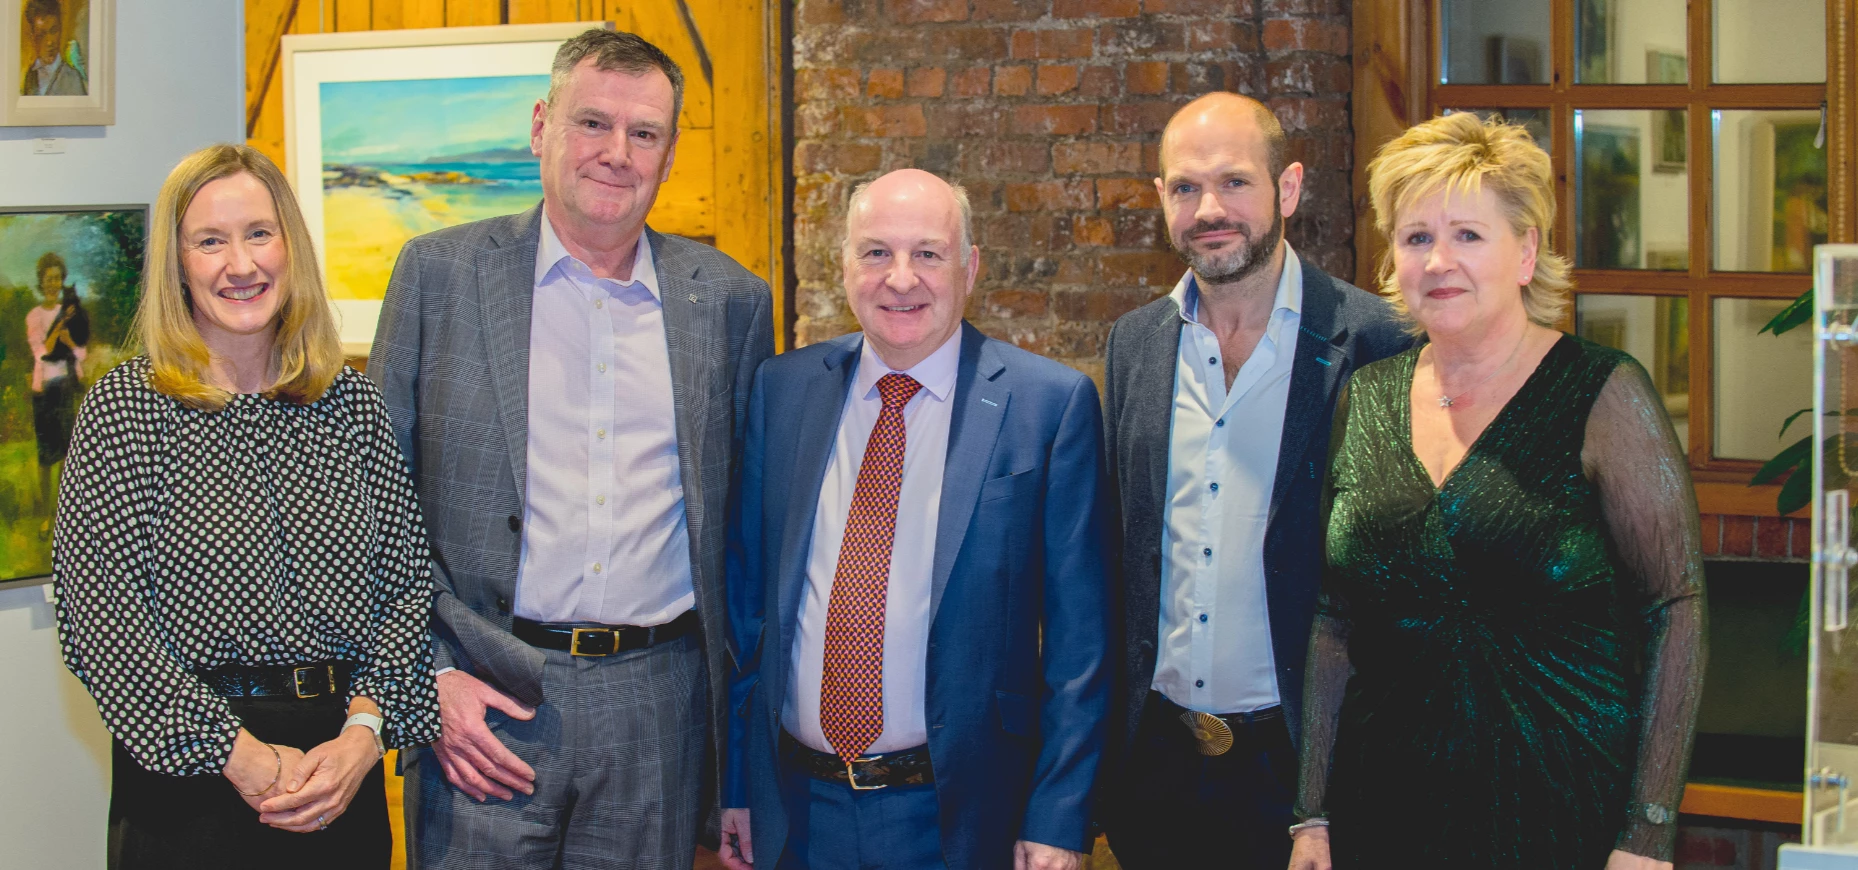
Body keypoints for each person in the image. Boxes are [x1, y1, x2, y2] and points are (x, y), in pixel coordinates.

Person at [370, 28, 775, 869]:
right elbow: (376, 506)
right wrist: (429, 675)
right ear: (540, 128)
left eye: (645, 133)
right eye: (593, 124)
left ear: (667, 156)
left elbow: (745, 532)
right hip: (485, 696)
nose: (617, 154)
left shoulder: (731, 302)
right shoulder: (437, 276)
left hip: (657, 707)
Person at [1289, 112, 1706, 870]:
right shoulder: (1368, 395)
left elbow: (1674, 607)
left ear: (1527, 251)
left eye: (1468, 236)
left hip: (1562, 812)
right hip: (1383, 810)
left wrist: (1647, 832)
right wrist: (1310, 815)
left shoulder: (1603, 395)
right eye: (1416, 237)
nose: (1439, 261)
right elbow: (1334, 617)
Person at [52, 144, 440, 869]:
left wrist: (363, 734)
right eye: (210, 241)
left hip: (338, 774)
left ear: (290, 244)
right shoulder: (127, 411)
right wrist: (242, 758)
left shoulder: (350, 405)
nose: (242, 264)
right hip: (187, 778)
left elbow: (409, 587)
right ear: (177, 264)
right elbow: (101, 623)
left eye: (260, 233)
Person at [719, 168, 1111, 870]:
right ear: (843, 265)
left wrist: (1058, 817)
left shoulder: (1047, 406)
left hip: (959, 817)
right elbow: (747, 616)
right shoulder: (783, 392)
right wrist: (738, 788)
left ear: (970, 268)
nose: (900, 279)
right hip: (799, 814)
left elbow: (1083, 647)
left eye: (927, 253)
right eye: (875, 253)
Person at [1098, 92, 1409, 869]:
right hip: (1157, 770)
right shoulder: (1133, 344)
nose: (1210, 209)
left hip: (1306, 771)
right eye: (1185, 187)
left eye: (1235, 182)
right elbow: (1117, 557)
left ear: (1289, 188)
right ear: (1160, 199)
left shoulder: (1377, 343)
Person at [24, 251, 88, 528]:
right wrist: (60, 327)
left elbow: (82, 353)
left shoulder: (72, 311)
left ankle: (65, 515)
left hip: (66, 386)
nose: (52, 283)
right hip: (44, 389)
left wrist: (70, 340)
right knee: (45, 455)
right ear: (41, 282)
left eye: (57, 278)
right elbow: (42, 353)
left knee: (66, 452)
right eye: (48, 279)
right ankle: (45, 517)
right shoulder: (35, 315)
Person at [22, 0, 85, 96]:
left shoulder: (72, 78)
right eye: (41, 35)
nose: (49, 42)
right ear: (33, 37)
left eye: (53, 31)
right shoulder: (30, 76)